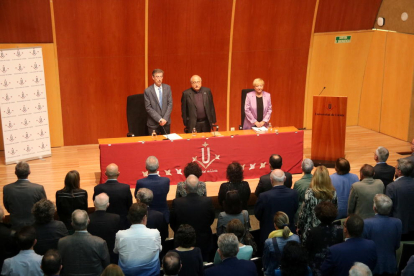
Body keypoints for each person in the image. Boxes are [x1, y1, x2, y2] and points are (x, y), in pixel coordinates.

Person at [170, 176, 215, 261]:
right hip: (203, 240)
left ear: (185, 187)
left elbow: (172, 222)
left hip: (182, 241)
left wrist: (180, 231)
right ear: (199, 186)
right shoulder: (207, 201)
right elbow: (211, 220)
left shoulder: (177, 202)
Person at [114, 202, 161, 276]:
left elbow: (116, 251)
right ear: (144, 217)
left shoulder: (120, 235)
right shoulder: (155, 233)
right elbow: (160, 249)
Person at [58, 209, 110, 275]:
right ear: (88, 221)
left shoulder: (62, 242)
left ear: (72, 224)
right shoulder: (100, 242)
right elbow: (107, 265)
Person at [255, 169, 298, 245]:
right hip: (289, 234)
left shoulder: (263, 196)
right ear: (284, 179)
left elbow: (258, 214)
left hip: (269, 233)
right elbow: (295, 209)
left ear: (271, 180)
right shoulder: (294, 193)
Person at [362, 194, 402, 276]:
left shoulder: (366, 223)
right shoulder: (397, 223)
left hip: (371, 266)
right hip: (391, 265)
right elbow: (397, 245)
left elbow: (363, 246)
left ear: (374, 208)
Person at [298, 165, 337, 245]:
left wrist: (299, 227)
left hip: (311, 230)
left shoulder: (309, 193)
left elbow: (304, 214)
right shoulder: (333, 193)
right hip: (328, 230)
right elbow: (335, 211)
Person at [3, 161, 46, 230]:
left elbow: (7, 207)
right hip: (34, 226)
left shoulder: (7, 189)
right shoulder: (38, 188)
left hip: (15, 226)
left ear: (15, 173)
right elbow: (44, 208)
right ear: (29, 172)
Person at [306, 201, 343, 276]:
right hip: (335, 267)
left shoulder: (312, 231)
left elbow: (307, 250)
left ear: (318, 215)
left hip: (317, 268)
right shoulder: (340, 230)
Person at [93, 163, 133, 230]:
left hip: (104, 224)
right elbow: (130, 205)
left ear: (105, 174)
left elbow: (96, 205)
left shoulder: (98, 188)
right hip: (122, 223)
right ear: (118, 174)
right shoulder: (125, 188)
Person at [263, 212, 300, 276]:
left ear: (275, 225)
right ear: (287, 223)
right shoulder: (296, 238)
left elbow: (265, 263)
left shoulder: (269, 242)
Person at [134, 156, 170, 223]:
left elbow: (137, 197)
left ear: (146, 168)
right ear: (158, 166)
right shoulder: (166, 181)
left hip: (146, 216)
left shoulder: (140, 182)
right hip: (163, 214)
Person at [88, 193, 121, 264]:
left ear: (94, 203)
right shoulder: (115, 218)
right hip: (110, 253)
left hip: (92, 253)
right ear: (108, 204)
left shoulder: (88, 218)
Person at [386, 158, 414, 240]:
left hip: (399, 227)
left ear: (399, 171)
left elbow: (388, 209)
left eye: (396, 168)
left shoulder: (392, 187)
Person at [144, 68, 173, 135]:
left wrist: (165, 119)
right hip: (153, 123)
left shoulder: (167, 88)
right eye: (157, 76)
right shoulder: (148, 91)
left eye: (161, 76)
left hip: (166, 122)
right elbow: (148, 107)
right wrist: (159, 119)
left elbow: (170, 104)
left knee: (166, 144)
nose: (159, 79)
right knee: (153, 144)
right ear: (153, 77)